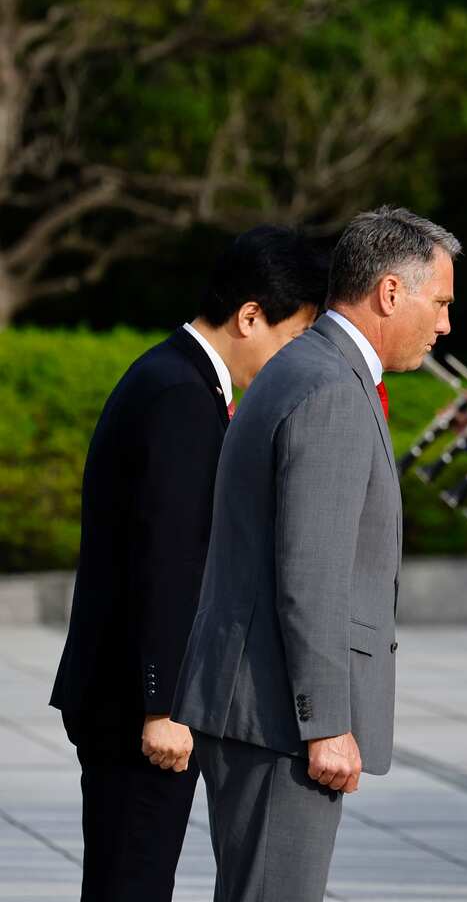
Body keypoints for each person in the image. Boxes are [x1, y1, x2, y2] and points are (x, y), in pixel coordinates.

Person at [171, 206, 459, 902]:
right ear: (391, 292)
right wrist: (326, 722)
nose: (446, 323)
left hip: (260, 704)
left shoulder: (305, 364)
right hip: (278, 718)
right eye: (441, 301)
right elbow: (311, 573)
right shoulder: (330, 386)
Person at [49, 225, 328, 902]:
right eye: (292, 338)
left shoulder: (172, 375)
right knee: (132, 885)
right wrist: (165, 704)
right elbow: (168, 558)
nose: (291, 360)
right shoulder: (180, 393)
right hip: (138, 706)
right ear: (250, 316)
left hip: (124, 696)